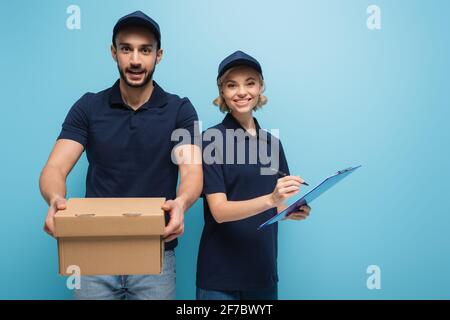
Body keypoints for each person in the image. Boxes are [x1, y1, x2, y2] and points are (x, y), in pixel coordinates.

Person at [39, 11, 203, 300]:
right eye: (126, 49)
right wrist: (54, 198)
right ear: (113, 52)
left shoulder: (180, 110)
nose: (136, 60)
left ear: (158, 55)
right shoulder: (88, 106)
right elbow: (55, 168)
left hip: (155, 254)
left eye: (145, 50)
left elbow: (191, 171)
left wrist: (182, 202)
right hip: (93, 252)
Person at [196, 51, 311, 300]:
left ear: (260, 87)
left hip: (263, 273)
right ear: (222, 92)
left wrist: (291, 211)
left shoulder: (272, 144)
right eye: (232, 85)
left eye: (250, 82)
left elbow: (277, 205)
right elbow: (219, 211)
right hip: (220, 277)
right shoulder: (210, 141)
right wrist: (271, 200)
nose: (242, 91)